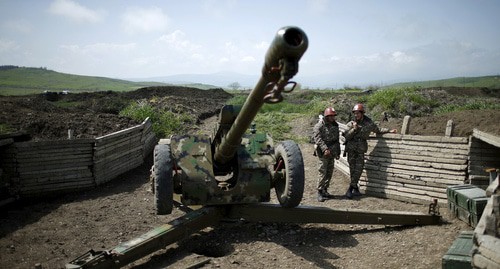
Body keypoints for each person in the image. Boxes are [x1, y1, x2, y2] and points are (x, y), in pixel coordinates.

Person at [342, 103, 397, 199]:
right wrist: (354, 130)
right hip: (351, 149)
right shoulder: (350, 123)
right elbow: (346, 136)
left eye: (358, 113)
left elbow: (378, 130)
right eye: (355, 113)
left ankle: (350, 189)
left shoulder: (369, 123)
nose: (356, 115)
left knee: (359, 169)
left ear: (362, 113)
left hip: (360, 150)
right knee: (352, 170)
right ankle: (355, 188)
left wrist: (389, 130)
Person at [313, 107, 341, 202]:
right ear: (327, 116)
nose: (333, 118)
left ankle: (325, 189)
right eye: (331, 116)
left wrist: (338, 152)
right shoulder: (319, 126)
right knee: (322, 172)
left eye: (334, 116)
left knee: (329, 172)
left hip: (332, 152)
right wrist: (325, 149)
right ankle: (320, 191)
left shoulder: (335, 125)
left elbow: (337, 140)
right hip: (323, 153)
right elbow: (318, 138)